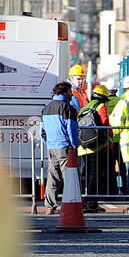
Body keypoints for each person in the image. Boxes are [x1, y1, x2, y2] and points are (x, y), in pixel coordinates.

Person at [40, 81, 80, 213]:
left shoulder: (46, 108)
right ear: (64, 92)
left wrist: (48, 143)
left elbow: (42, 132)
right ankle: (71, 205)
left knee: (52, 176)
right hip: (64, 147)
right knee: (69, 177)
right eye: (70, 92)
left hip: (51, 147)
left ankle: (49, 206)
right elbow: (72, 130)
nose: (72, 95)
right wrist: (74, 145)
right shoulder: (68, 108)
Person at [76, 84, 113, 212]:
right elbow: (105, 124)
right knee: (95, 175)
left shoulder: (85, 107)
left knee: (85, 176)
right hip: (96, 147)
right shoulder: (101, 106)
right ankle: (92, 203)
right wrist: (110, 140)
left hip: (83, 147)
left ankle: (83, 202)